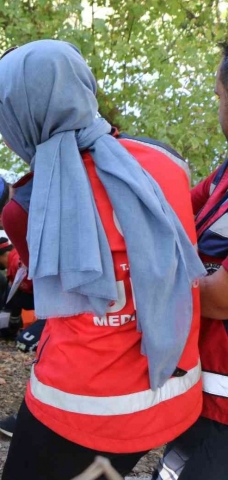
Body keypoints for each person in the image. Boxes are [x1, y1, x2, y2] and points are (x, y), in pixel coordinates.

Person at [0, 40, 204, 479]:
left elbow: (39, 291)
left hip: (78, 408)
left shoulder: (27, 204)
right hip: (173, 390)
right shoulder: (167, 162)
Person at [151, 42, 228, 480]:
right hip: (206, 390)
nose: (217, 106)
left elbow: (220, 299)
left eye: (218, 95)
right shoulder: (225, 171)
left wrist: (146, 275)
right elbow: (178, 205)